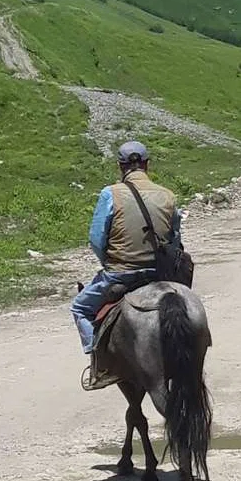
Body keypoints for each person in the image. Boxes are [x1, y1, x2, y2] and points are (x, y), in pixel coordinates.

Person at [72, 141, 184, 383]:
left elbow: (96, 239)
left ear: (120, 166)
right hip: (158, 274)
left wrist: (110, 262)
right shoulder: (167, 195)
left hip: (121, 274)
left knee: (80, 307)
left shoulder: (110, 194)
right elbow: (175, 241)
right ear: (146, 164)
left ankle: (99, 366)